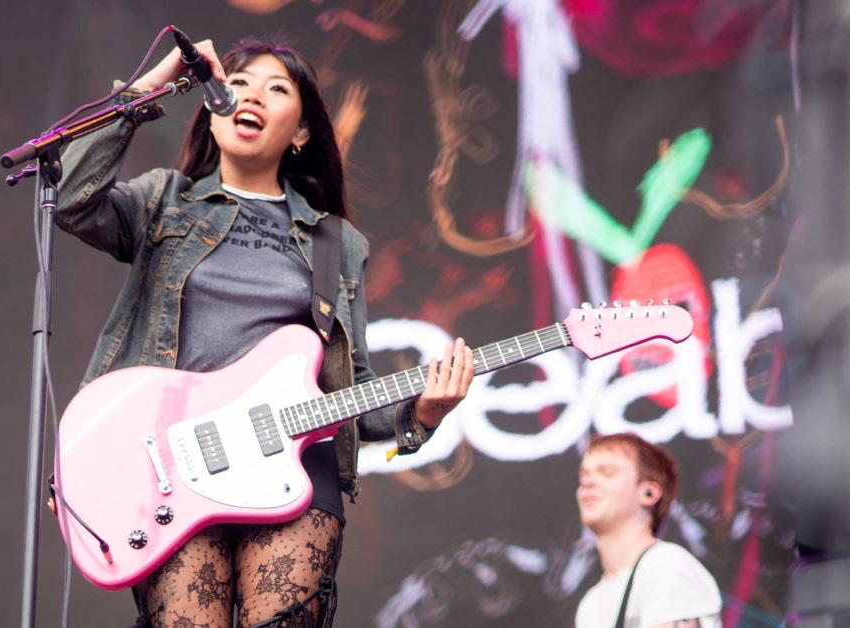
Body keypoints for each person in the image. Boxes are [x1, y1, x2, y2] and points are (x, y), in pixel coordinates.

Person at [53, 37, 475, 627]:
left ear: (301, 132)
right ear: (214, 105)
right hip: (168, 469)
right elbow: (70, 198)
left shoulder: (337, 242)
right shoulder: (163, 201)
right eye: (241, 81)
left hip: (293, 470)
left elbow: (348, 389)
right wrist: (153, 84)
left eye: (277, 89)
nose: (252, 94)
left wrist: (422, 414)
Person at [575, 433, 723, 628]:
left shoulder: (665, 564)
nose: (587, 482)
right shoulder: (592, 603)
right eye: (584, 475)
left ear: (649, 493)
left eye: (607, 472)